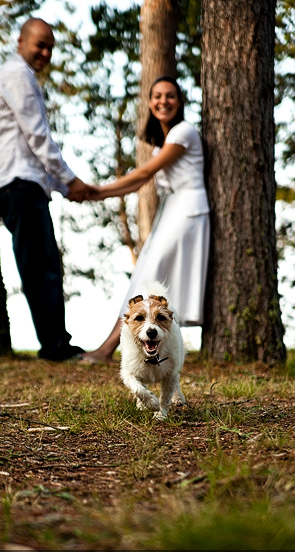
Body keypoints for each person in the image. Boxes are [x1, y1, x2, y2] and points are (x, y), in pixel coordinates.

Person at [80, 76, 210, 363]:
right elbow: (137, 184)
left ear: (180, 101)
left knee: (149, 274)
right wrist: (96, 195)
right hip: (172, 211)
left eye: (170, 96)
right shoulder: (158, 145)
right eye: (158, 96)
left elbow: (142, 175)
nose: (164, 101)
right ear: (150, 103)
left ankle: (107, 349)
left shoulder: (184, 132)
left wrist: (97, 190)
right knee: (145, 275)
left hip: (188, 209)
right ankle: (125, 348)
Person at [0, 17, 91, 362]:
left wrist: (64, 186)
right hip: (18, 186)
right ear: (21, 41)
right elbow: (38, 136)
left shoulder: (20, 76)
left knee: (45, 264)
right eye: (39, 44)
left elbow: (32, 147)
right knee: (40, 267)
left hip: (25, 183)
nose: (44, 52)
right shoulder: (17, 74)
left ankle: (56, 342)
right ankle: (55, 348)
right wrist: (71, 179)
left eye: (49, 47)